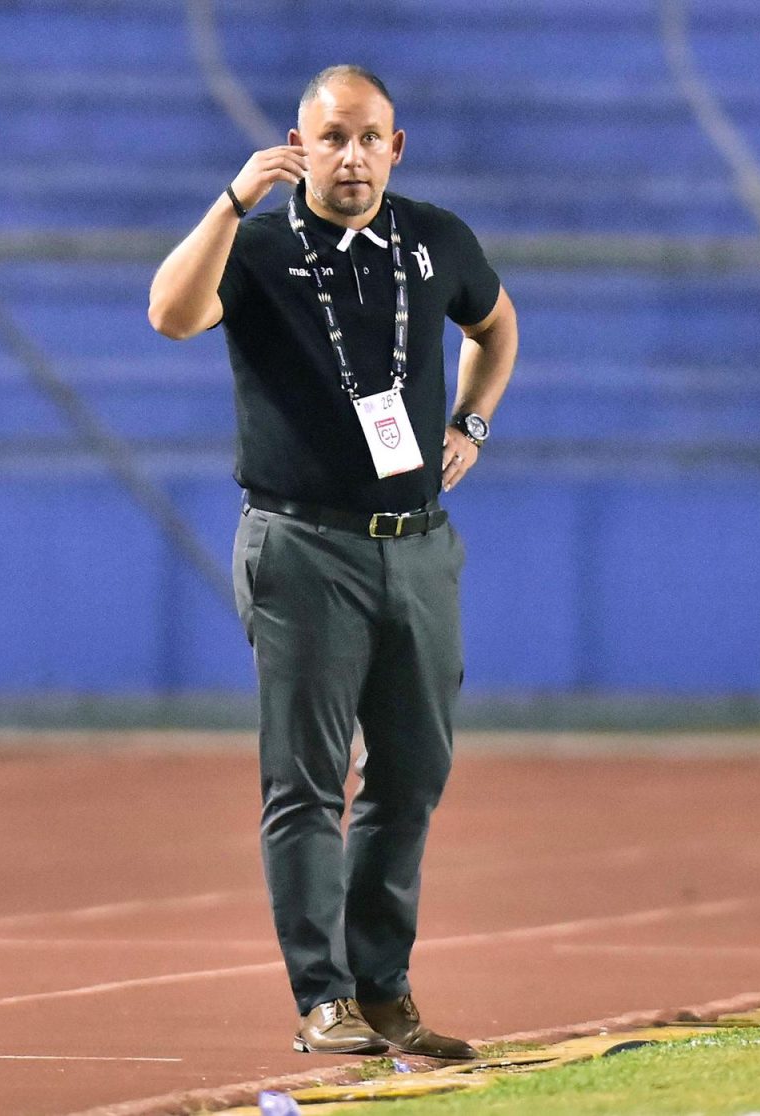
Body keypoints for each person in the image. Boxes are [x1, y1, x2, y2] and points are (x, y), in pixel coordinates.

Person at [148, 64, 518, 1058]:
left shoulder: (436, 239)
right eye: (332, 137)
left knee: (412, 776)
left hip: (420, 544)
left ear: (396, 148)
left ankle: (384, 989)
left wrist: (472, 424)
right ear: (298, 146)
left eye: (368, 138)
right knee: (310, 782)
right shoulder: (259, 247)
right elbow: (170, 316)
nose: (350, 156)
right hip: (304, 544)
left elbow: (496, 323)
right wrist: (232, 200)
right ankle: (324, 998)